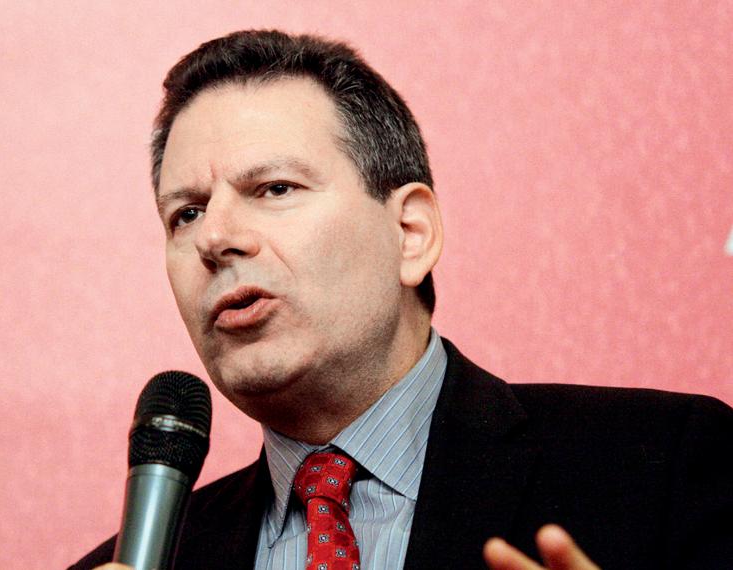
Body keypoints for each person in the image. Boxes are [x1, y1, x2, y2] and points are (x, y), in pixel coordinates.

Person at [70, 30, 733, 570]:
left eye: (274, 189)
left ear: (410, 233)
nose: (215, 238)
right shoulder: (142, 561)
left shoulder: (665, 467)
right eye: (185, 214)